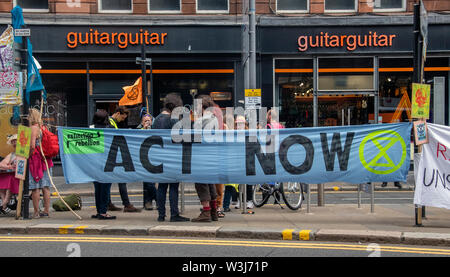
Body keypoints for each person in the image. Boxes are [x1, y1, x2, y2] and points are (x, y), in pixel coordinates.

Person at [153, 93, 189, 222]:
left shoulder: (156, 120)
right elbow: (180, 139)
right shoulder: (173, 120)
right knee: (173, 186)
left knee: (162, 186)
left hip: (159, 157)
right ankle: (174, 214)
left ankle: (161, 215)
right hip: (172, 157)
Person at [191, 94, 219, 222]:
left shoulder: (199, 121)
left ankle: (206, 212)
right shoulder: (215, 119)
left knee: (201, 183)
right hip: (212, 155)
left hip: (201, 155)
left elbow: (195, 139)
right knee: (210, 182)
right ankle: (214, 211)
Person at [107, 106, 140, 213]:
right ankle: (126, 204)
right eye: (123, 117)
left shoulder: (113, 122)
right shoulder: (110, 123)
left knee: (110, 181)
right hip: (113, 156)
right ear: (117, 113)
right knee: (121, 180)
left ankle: (109, 203)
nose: (123, 119)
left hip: (114, 155)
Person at [28, 108, 53, 219]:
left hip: (36, 161)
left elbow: (33, 146)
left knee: (35, 187)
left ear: (31, 117)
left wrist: (27, 154)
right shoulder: (44, 127)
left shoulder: (33, 128)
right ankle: (46, 211)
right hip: (46, 160)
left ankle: (36, 212)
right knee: (46, 187)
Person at [91, 110, 115, 220]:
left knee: (98, 188)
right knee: (105, 188)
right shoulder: (110, 129)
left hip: (94, 162)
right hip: (107, 161)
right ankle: (103, 212)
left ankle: (99, 211)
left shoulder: (90, 128)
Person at [138, 112, 158, 210]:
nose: (147, 122)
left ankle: (150, 202)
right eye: (145, 121)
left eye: (149, 121)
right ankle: (157, 200)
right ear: (142, 123)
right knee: (147, 183)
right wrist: (144, 129)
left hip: (154, 159)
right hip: (143, 159)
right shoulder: (139, 131)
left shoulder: (155, 130)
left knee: (151, 182)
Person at [0, 134, 19, 214]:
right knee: (1, 180)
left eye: (15, 141)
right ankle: (5, 203)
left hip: (17, 177)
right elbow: (1, 164)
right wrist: (10, 167)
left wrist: (8, 166)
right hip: (10, 174)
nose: (14, 143)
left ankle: (4, 204)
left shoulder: (22, 153)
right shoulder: (12, 154)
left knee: (10, 181)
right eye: (13, 142)